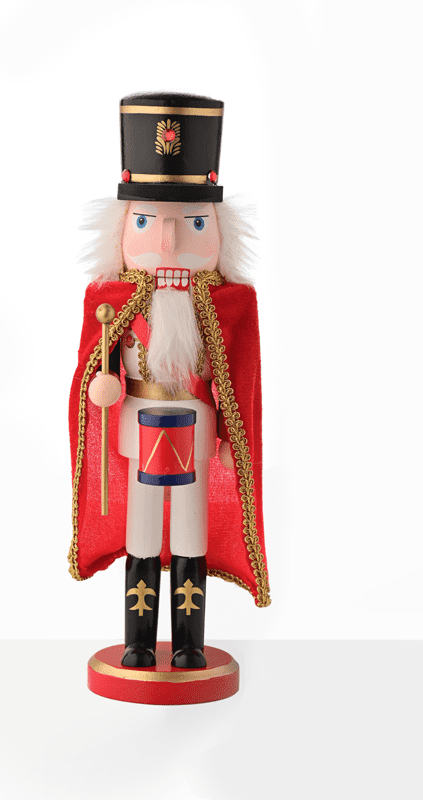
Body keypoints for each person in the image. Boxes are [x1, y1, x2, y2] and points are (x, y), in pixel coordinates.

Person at [68, 93, 270, 670]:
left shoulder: (228, 305)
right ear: (121, 231)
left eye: (194, 223)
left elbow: (239, 379)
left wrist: (231, 433)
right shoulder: (111, 301)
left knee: (189, 533)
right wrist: (103, 386)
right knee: (140, 530)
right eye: (146, 222)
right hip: (137, 430)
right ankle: (137, 640)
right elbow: (96, 369)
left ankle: (188, 643)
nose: (169, 243)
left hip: (196, 430)